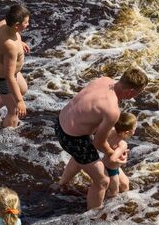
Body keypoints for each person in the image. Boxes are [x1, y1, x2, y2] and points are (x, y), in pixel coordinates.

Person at [54, 68, 148, 209]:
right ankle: (93, 219)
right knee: (102, 181)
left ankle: (61, 184)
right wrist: (113, 154)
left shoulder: (104, 80)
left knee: (83, 157)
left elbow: (91, 110)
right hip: (73, 139)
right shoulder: (112, 111)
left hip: (60, 123)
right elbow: (98, 143)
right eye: (138, 94)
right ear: (130, 92)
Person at [0, 4, 31, 128]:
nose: (28, 24)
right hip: (2, 79)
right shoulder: (10, 46)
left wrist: (19, 42)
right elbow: (9, 76)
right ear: (17, 25)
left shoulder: (2, 24)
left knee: (22, 89)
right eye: (26, 22)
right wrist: (19, 101)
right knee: (14, 111)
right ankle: (7, 141)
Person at [103, 112, 137, 198]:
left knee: (125, 184)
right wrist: (123, 160)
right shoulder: (122, 144)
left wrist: (117, 151)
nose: (135, 129)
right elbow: (113, 159)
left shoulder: (112, 131)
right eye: (134, 128)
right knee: (114, 192)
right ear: (126, 133)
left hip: (106, 164)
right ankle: (106, 206)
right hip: (112, 171)